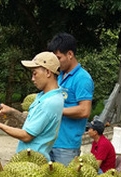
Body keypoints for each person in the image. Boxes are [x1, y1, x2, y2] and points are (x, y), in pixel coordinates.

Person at [0, 52, 63, 161]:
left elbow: (26, 136)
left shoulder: (50, 102)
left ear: (47, 72)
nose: (32, 78)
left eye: (35, 73)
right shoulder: (45, 96)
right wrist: (12, 111)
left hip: (33, 164)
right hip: (27, 160)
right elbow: (31, 122)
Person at [47, 33, 94, 165]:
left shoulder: (82, 78)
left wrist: (56, 110)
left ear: (70, 54)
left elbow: (84, 110)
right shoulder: (60, 75)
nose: (56, 62)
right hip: (50, 140)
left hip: (66, 147)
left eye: (58, 58)